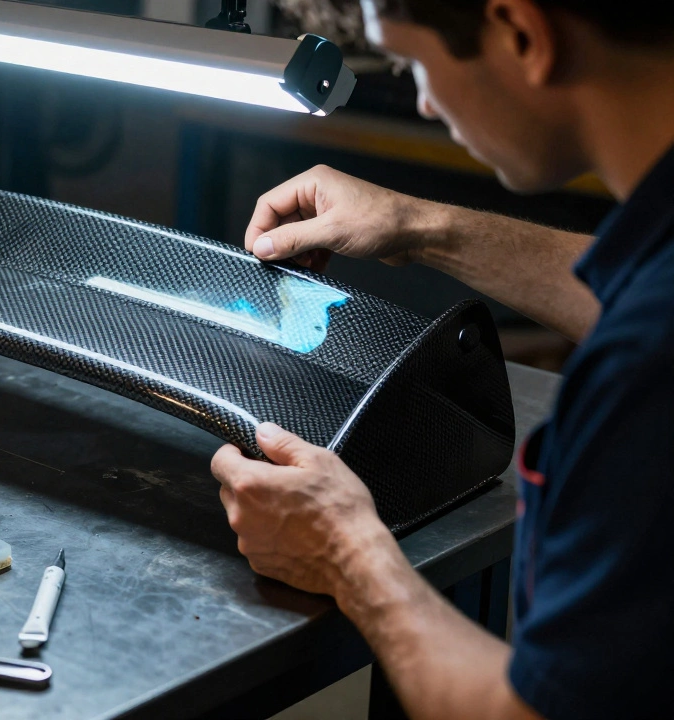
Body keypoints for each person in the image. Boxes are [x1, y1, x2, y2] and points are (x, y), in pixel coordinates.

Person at [209, 1, 674, 718]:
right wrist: (418, 227)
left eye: (417, 62)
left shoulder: (644, 372)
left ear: (523, 35)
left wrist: (347, 554)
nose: (423, 100)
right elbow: (642, 284)